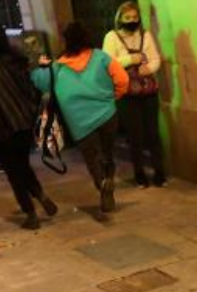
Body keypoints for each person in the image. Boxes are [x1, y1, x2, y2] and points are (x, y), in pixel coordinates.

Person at [31, 22, 128, 215]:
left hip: (80, 121)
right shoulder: (101, 57)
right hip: (107, 114)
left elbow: (40, 83)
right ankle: (108, 178)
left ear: (66, 41)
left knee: (92, 158)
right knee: (108, 153)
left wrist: (41, 66)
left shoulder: (57, 67)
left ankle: (102, 184)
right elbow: (123, 80)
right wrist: (112, 98)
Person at [0, 24, 57, 230]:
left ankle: (30, 213)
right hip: (23, 123)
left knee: (13, 172)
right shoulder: (16, 60)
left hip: (0, 127)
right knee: (23, 164)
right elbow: (30, 90)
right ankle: (40, 194)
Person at [103, 2, 167, 188]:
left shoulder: (145, 35)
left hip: (147, 90)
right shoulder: (112, 37)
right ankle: (139, 174)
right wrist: (131, 59)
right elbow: (108, 62)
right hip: (126, 93)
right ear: (120, 19)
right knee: (135, 135)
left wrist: (148, 68)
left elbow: (155, 59)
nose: (132, 21)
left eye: (134, 17)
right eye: (127, 18)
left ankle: (159, 172)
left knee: (153, 133)